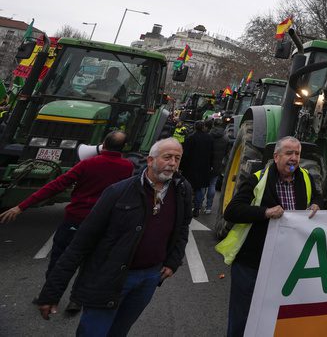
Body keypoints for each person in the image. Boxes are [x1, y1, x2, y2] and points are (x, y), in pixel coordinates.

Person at [34, 138, 191, 336]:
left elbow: (183, 226)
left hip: (149, 278)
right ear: (150, 160)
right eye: (167, 157)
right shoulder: (118, 192)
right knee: (94, 332)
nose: (173, 163)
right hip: (110, 278)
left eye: (177, 158)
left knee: (119, 332)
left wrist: (173, 261)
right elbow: (81, 243)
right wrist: (52, 293)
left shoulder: (182, 191)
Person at [1, 130, 134, 313]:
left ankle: (48, 296)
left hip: (76, 219)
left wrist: (21, 206)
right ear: (124, 147)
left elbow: (55, 186)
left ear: (103, 143)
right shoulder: (126, 167)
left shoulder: (87, 164)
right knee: (89, 263)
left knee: (59, 258)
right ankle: (76, 300)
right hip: (103, 223)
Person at [221, 136, 321, 337]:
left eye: (297, 154)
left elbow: (316, 198)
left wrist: (317, 204)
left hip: (285, 262)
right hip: (252, 261)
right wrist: (265, 213)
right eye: (289, 153)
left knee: (273, 314)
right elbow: (232, 211)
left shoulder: (306, 179)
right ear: (276, 157)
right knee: (242, 315)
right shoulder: (257, 179)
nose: (294, 158)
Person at [180, 119, 216, 217]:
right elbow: (212, 154)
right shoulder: (209, 139)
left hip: (190, 167)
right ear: (204, 127)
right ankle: (197, 208)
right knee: (199, 189)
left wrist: (181, 166)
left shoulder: (190, 138)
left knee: (187, 187)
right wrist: (211, 165)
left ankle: (184, 206)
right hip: (204, 167)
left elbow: (185, 154)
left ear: (195, 127)